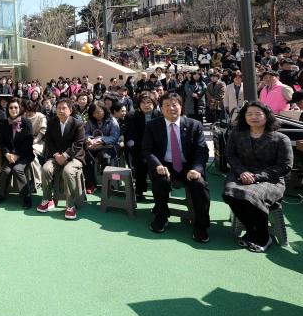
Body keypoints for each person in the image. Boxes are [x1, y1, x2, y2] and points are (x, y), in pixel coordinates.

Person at [222, 102, 293, 253]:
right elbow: (230, 155)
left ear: (267, 116)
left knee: (251, 195)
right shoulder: (236, 134)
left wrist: (257, 176)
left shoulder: (281, 138)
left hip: (270, 179)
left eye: (258, 114)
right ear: (244, 117)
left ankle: (262, 238)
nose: (253, 117)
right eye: (249, 114)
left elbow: (285, 166)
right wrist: (241, 171)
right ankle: (256, 232)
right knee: (229, 193)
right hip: (240, 174)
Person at [142, 93, 210, 242]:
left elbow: (202, 150)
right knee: (159, 180)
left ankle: (201, 224)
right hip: (164, 165)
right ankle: (161, 215)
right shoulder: (153, 125)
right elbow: (147, 150)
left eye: (174, 105)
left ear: (181, 107)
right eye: (166, 105)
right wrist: (157, 165)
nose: (171, 108)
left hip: (189, 166)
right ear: (161, 108)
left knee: (199, 185)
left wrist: (197, 169)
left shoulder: (194, 125)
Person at [37, 98, 86, 220]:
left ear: (70, 110)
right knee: (46, 168)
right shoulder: (52, 122)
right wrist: (56, 155)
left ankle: (70, 205)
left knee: (68, 171)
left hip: (74, 157)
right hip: (56, 156)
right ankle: (47, 199)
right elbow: (49, 140)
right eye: (58, 108)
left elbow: (78, 144)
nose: (60, 111)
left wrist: (65, 156)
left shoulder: (78, 124)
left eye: (64, 108)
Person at [0, 99, 35, 209]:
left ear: (20, 108)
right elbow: (2, 142)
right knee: (6, 170)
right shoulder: (3, 123)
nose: (13, 109)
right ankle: (1, 194)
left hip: (24, 155)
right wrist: (7, 154)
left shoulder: (27, 122)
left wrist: (17, 155)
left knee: (18, 169)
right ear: (8, 110)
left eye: (16, 107)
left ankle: (26, 197)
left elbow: (28, 142)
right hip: (9, 156)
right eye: (11, 107)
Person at [124, 92, 160, 202]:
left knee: (154, 163)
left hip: (157, 147)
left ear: (154, 103)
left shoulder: (160, 115)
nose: (146, 105)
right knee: (140, 161)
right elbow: (131, 134)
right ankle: (139, 191)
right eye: (143, 102)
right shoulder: (132, 115)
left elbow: (161, 135)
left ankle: (158, 191)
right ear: (139, 104)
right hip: (140, 146)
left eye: (149, 102)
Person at [83, 102, 122, 194]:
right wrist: (89, 139)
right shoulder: (90, 121)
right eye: (94, 113)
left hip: (109, 146)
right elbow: (86, 133)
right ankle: (90, 183)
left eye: (99, 112)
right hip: (94, 146)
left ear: (104, 110)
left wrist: (103, 140)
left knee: (104, 156)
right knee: (85, 157)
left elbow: (114, 137)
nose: (96, 115)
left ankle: (108, 183)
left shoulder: (112, 121)